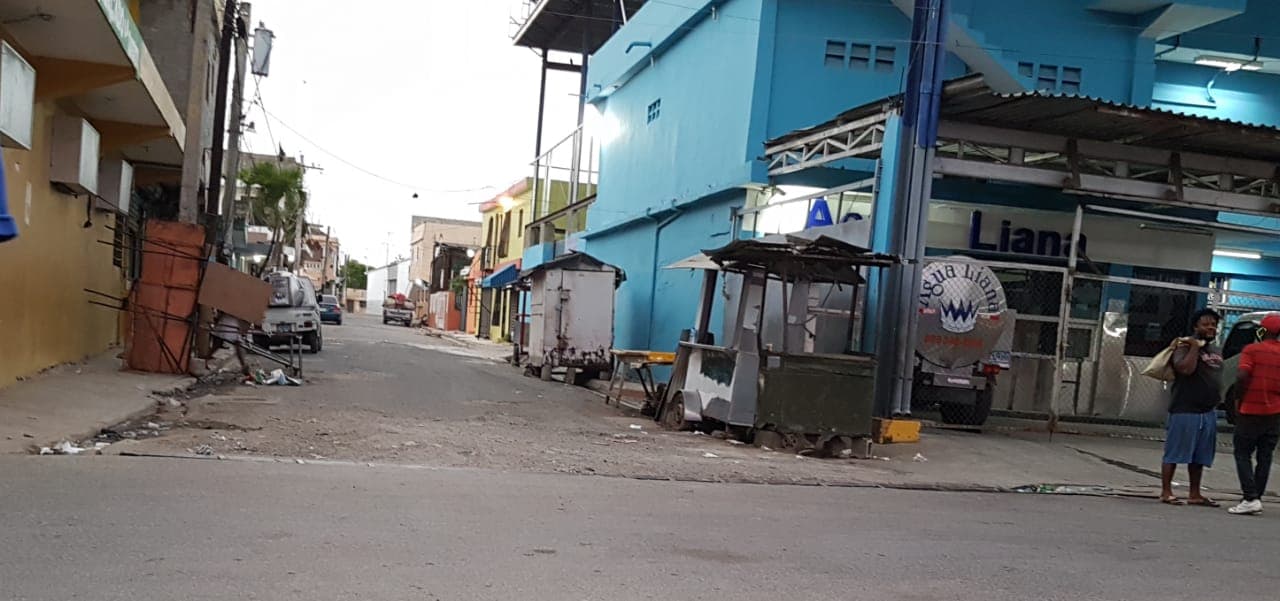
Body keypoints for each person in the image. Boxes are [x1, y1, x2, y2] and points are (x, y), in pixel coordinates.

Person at [1160, 308, 1224, 507]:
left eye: (1213, 324)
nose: (1210, 327)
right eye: (1206, 324)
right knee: (1174, 452)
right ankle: (1166, 492)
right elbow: (1185, 369)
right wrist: (1195, 347)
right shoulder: (1184, 346)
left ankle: (1195, 494)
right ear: (1196, 327)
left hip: (1208, 411)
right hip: (1185, 409)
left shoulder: (1215, 350)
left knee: (1199, 456)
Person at [1227, 313, 1280, 515]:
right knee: (1265, 456)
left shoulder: (1252, 350)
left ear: (1262, 330)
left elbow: (1242, 375)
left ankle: (1250, 497)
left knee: (1242, 453)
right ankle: (1256, 495)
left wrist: (1238, 400)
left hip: (1250, 409)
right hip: (1274, 412)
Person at [211, 311, 252, 377]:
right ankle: (244, 365)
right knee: (237, 342)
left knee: (237, 343)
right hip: (231, 320)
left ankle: (244, 365)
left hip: (232, 320)